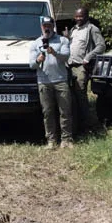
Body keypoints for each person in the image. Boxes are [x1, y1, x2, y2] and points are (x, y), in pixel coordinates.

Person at [33, 17, 74, 149]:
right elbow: (31, 65)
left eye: (49, 25)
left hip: (60, 80)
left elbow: (66, 57)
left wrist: (54, 53)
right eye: (45, 26)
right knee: (48, 112)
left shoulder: (63, 40)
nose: (47, 28)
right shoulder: (35, 43)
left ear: (53, 26)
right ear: (41, 27)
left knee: (65, 111)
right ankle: (51, 140)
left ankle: (66, 140)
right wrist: (38, 60)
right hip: (44, 82)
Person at [67, 7, 106, 134]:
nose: (78, 18)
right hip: (69, 65)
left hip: (81, 66)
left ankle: (87, 125)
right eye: (76, 16)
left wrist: (88, 57)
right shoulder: (74, 29)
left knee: (81, 93)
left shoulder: (92, 29)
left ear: (86, 16)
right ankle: (75, 124)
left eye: (81, 16)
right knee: (70, 95)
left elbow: (101, 46)